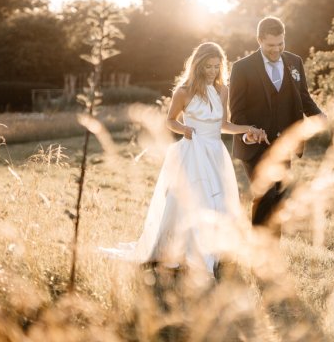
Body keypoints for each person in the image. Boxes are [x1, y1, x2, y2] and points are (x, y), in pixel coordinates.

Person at [101, 42, 265, 277]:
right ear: (198, 65)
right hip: (192, 151)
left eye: (217, 67)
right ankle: (183, 252)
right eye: (208, 66)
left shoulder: (222, 90)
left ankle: (212, 251)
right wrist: (182, 129)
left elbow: (223, 125)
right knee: (194, 200)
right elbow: (170, 120)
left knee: (216, 202)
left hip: (215, 153)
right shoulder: (184, 91)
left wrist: (247, 128)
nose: (212, 71)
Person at [229, 16, 326, 233]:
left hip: (284, 143)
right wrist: (248, 133)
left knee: (280, 196)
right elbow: (237, 111)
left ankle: (271, 256)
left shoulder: (294, 62)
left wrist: (318, 114)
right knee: (266, 194)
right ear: (259, 40)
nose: (277, 49)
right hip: (254, 146)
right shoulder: (242, 68)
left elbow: (303, 96)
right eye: (271, 45)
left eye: (281, 43)